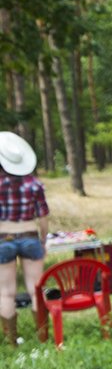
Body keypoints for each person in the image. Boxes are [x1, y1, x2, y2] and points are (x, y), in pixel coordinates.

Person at [0, 132, 50, 347]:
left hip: (4, 238)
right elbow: (43, 218)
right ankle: (43, 337)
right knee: (35, 289)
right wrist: (43, 241)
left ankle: (12, 341)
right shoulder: (35, 184)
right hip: (30, 236)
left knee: (6, 292)